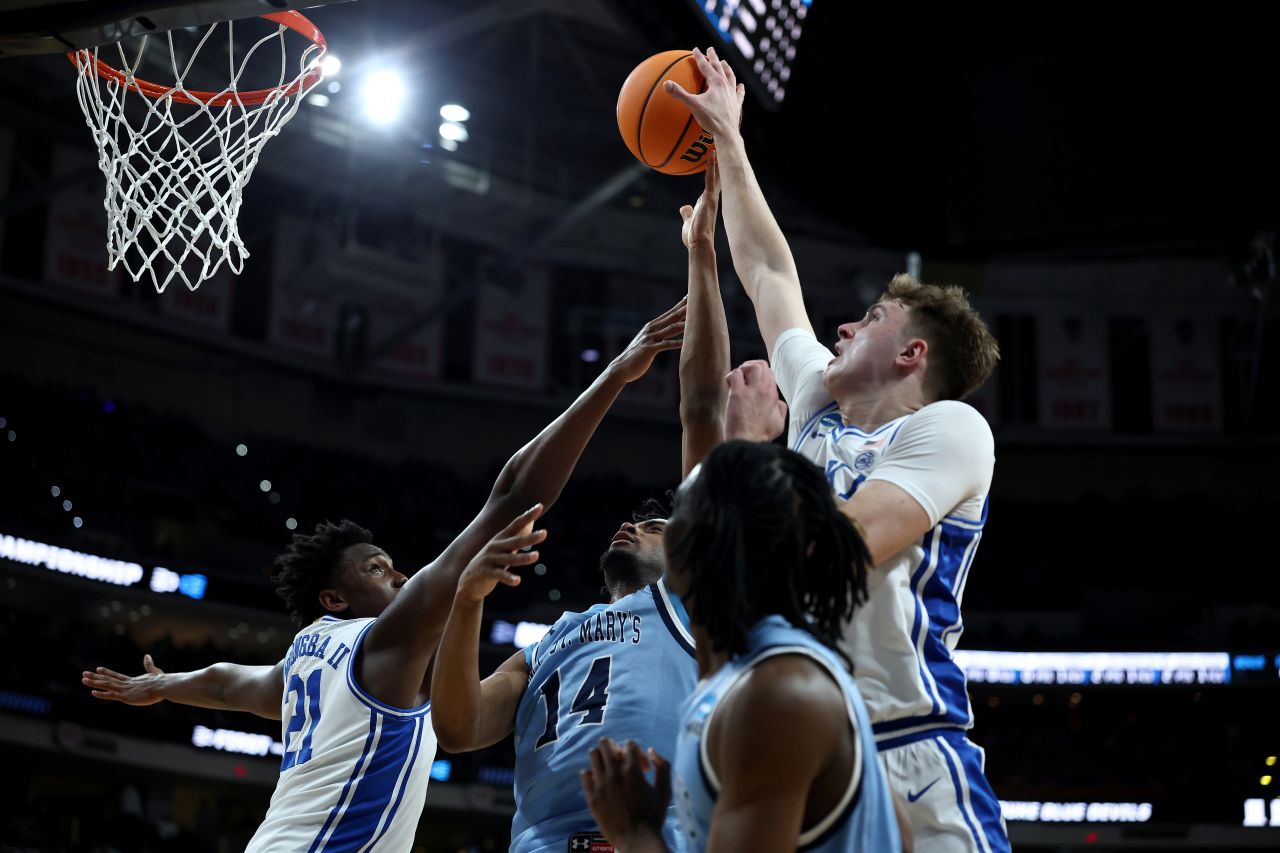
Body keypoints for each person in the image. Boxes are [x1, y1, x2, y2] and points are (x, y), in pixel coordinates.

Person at [80, 299, 687, 852]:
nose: (398, 574)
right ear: (334, 597)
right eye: (376, 568)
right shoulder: (388, 644)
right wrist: (614, 377)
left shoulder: (302, 661)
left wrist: (161, 686)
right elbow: (512, 497)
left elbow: (224, 685)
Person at [664, 47, 1008, 852]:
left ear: (914, 355)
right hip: (793, 723)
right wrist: (731, 143)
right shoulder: (820, 400)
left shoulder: (949, 430)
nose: (843, 328)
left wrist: (745, 455)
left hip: (905, 738)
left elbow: (841, 549)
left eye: (871, 320)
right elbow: (769, 271)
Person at [430, 157, 732, 853]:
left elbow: (702, 408)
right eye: (635, 520)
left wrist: (702, 257)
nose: (633, 524)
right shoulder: (548, 640)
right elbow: (461, 726)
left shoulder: (698, 600)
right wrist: (468, 601)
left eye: (656, 525)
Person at [579, 441, 904, 853]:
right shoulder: (755, 671)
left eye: (680, 511)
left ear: (695, 540)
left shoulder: (777, 694)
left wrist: (636, 833)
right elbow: (902, 836)